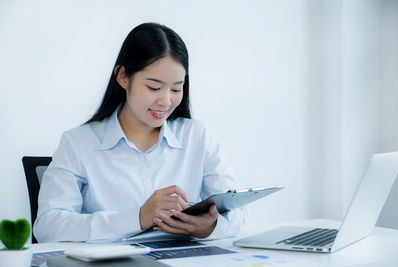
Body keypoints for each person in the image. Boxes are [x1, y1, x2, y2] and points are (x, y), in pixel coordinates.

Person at [33, 22, 246, 242]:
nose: (165, 101)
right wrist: (138, 217)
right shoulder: (78, 143)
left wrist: (209, 228)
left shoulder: (197, 136)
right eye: (154, 87)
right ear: (123, 77)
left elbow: (237, 212)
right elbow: (48, 227)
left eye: (176, 89)